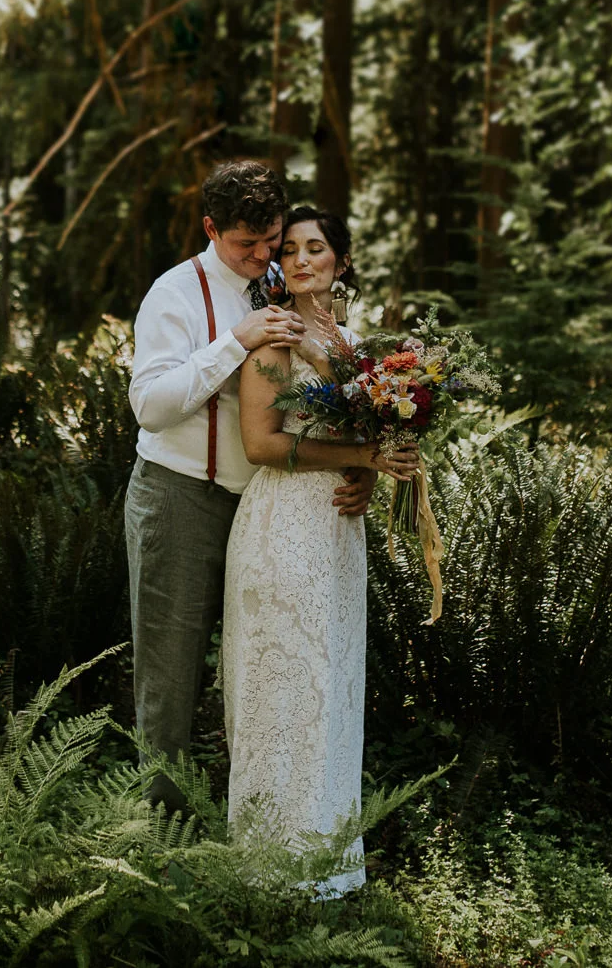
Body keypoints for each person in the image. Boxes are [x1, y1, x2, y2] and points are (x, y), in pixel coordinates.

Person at [125, 161, 375, 811]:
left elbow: (324, 404)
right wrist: (233, 342)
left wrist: (359, 467)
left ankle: (267, 826)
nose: (266, 255)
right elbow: (150, 405)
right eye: (250, 243)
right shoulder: (173, 294)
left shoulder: (282, 281)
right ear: (211, 228)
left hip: (269, 511)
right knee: (171, 679)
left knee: (264, 675)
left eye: (273, 239)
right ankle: (158, 839)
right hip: (179, 498)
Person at [224, 206, 417, 897]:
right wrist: (361, 451)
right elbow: (262, 443)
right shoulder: (273, 337)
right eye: (293, 249)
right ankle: (266, 874)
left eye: (318, 247)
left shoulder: (361, 347)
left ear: (340, 260)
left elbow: (374, 426)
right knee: (280, 690)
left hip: (337, 534)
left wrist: (371, 469)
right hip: (281, 529)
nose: (304, 259)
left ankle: (328, 870)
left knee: (330, 688)